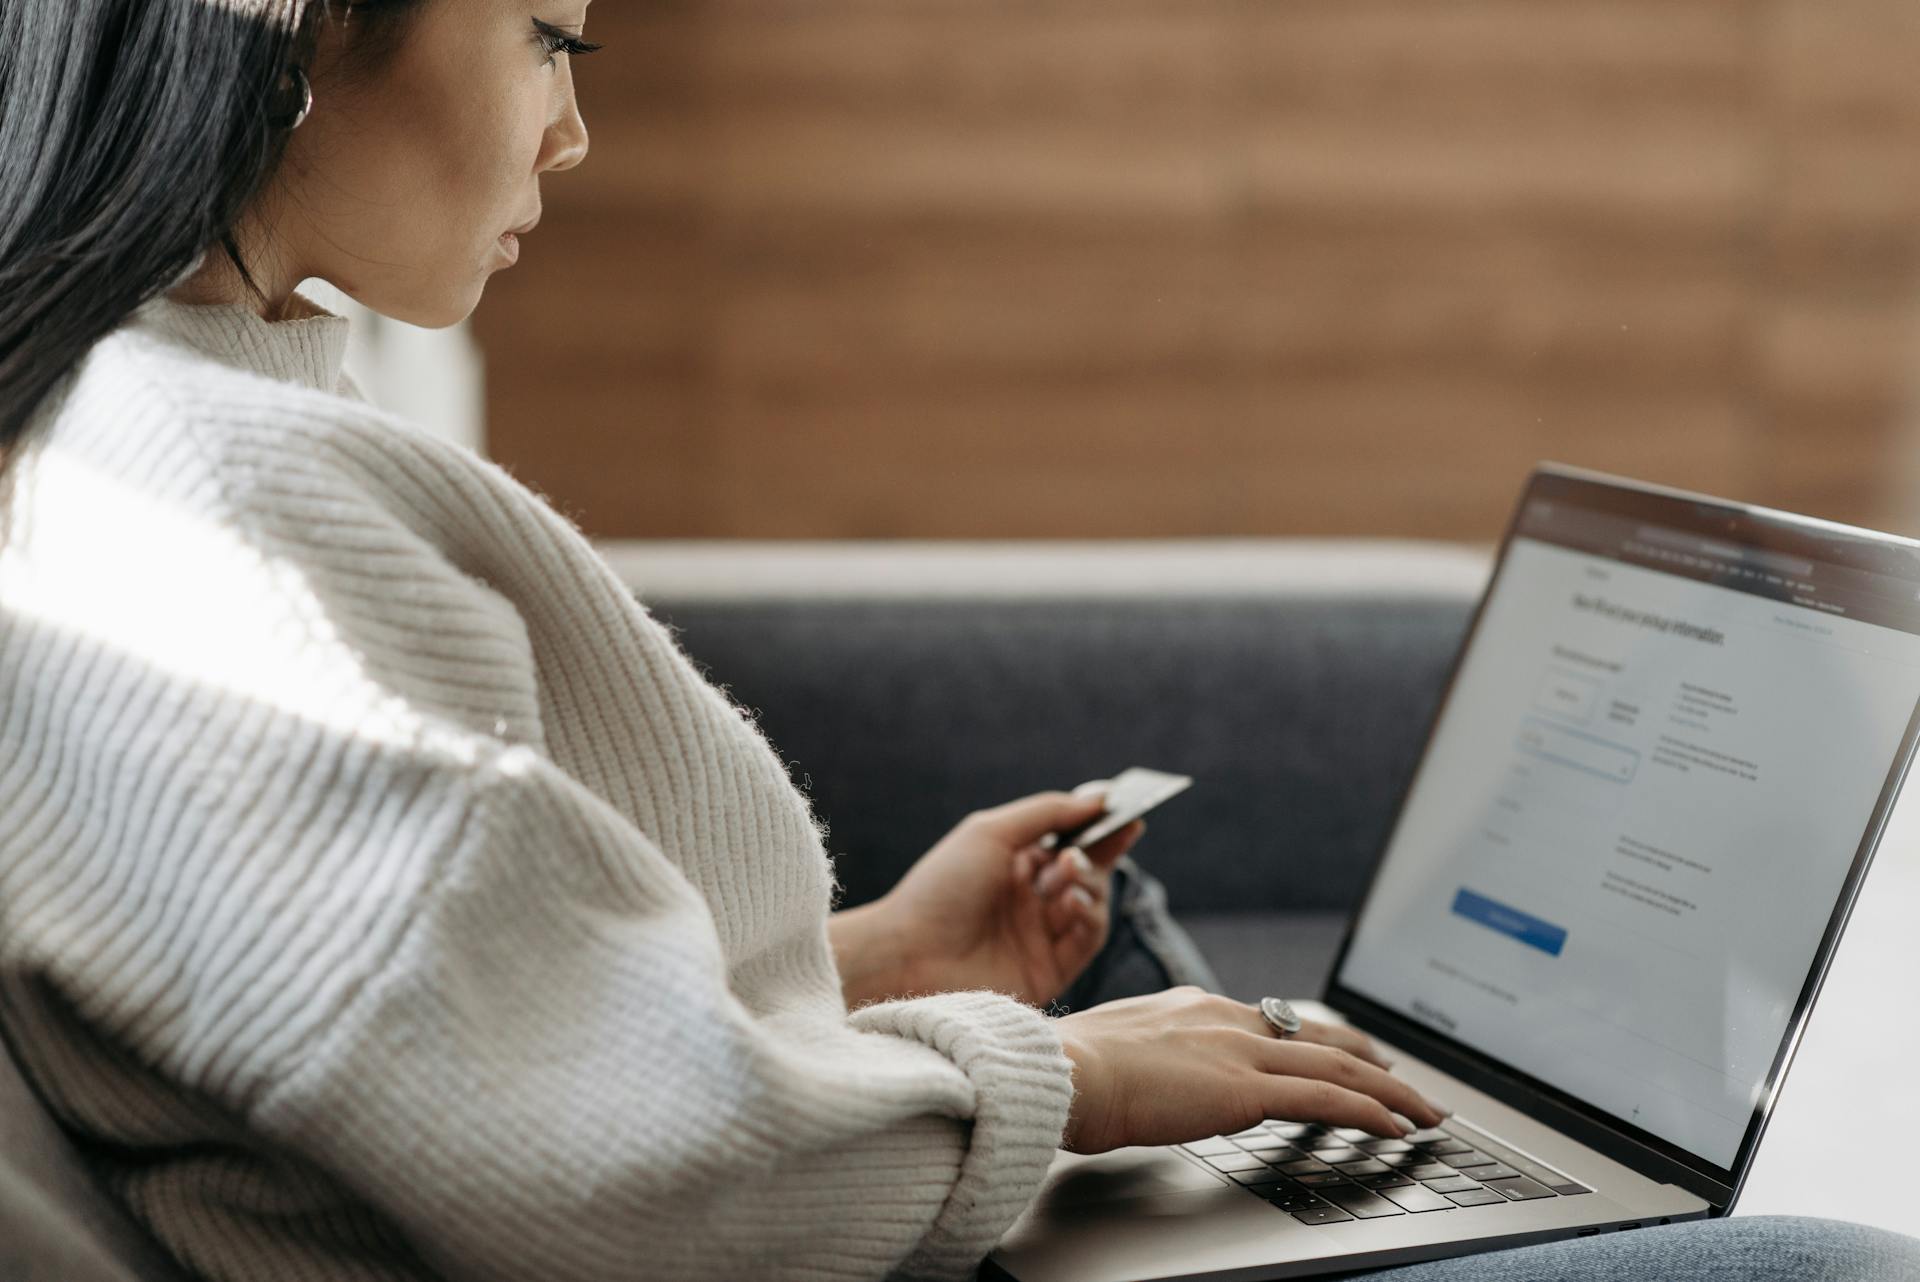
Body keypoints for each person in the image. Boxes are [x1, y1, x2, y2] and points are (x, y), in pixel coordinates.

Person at [0, 3, 1912, 1280]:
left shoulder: (170, 422)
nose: (575, 130)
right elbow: (602, 1163)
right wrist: (1054, 1079)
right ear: (300, 23)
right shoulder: (204, 505)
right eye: (546, 37)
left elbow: (454, 1040)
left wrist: (875, 969)